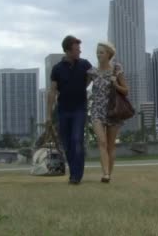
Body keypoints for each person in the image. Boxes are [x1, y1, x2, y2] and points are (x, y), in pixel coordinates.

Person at [46, 35, 93, 185]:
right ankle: (73, 172)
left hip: (80, 109)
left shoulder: (85, 64)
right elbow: (52, 92)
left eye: (79, 48)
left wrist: (82, 87)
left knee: (76, 140)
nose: (79, 51)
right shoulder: (57, 69)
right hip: (63, 110)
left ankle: (76, 176)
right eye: (76, 49)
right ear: (68, 50)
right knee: (67, 143)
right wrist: (48, 115)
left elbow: (93, 76)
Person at [87, 41, 129, 183]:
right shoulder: (92, 72)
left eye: (102, 52)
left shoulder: (117, 69)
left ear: (109, 54)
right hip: (97, 110)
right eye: (97, 52)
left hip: (113, 110)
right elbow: (81, 87)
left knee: (111, 145)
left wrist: (115, 84)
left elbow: (126, 90)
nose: (99, 55)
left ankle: (108, 174)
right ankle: (105, 173)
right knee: (102, 142)